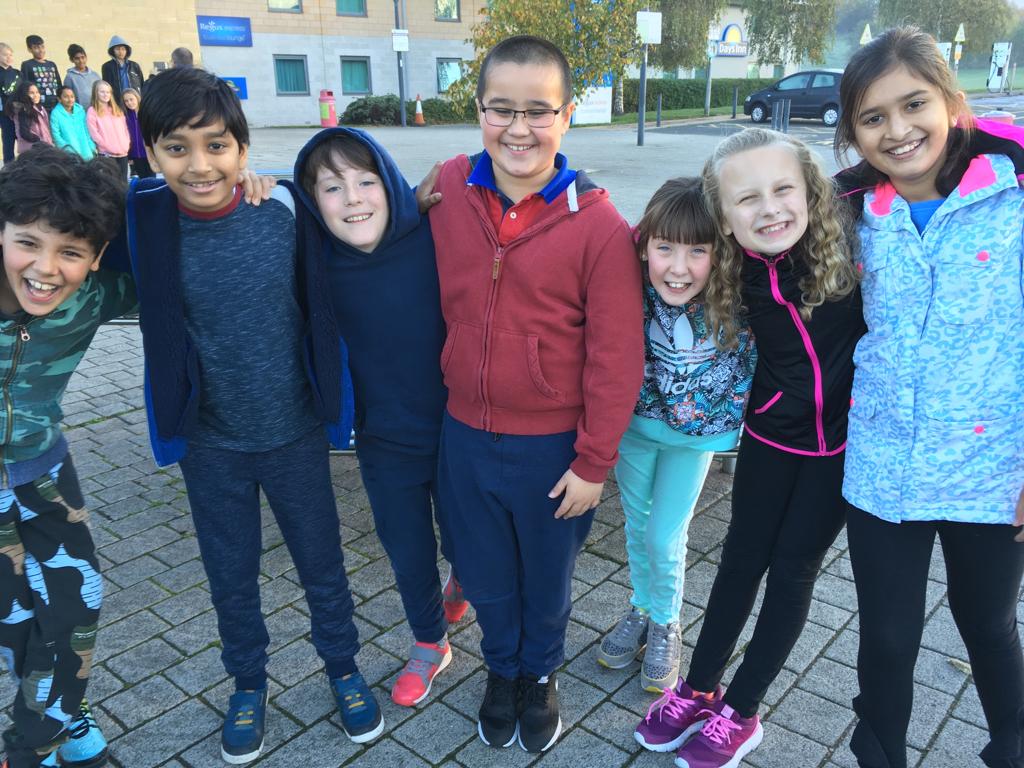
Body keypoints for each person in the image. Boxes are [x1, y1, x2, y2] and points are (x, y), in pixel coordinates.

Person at [122, 66, 381, 763]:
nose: (199, 166)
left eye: (216, 146)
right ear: (151, 153)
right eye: (177, 148)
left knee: (322, 565)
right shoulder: (143, 221)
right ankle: (248, 683)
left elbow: (369, 223)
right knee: (230, 575)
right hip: (211, 444)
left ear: (242, 148)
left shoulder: (284, 210)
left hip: (294, 432)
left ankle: (343, 668)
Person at [427, 35, 644, 753]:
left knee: (546, 579)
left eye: (538, 111)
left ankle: (540, 672)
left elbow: (617, 357)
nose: (518, 129)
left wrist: (594, 462)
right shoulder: (450, 187)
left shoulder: (600, 227)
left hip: (553, 451)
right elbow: (372, 209)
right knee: (486, 573)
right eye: (501, 109)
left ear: (566, 115)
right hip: (465, 436)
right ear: (479, 111)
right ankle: (503, 668)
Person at [633, 128, 865, 768]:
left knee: (792, 572)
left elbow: (914, 153)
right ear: (725, 217)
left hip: (839, 450)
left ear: (811, 191)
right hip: (768, 438)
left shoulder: (849, 232)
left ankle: (742, 711)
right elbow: (641, 243)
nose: (769, 209)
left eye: (783, 190)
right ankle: (698, 689)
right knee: (739, 563)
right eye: (746, 199)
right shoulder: (730, 268)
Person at [833, 27, 1024, 768]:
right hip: (885, 465)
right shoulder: (848, 215)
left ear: (950, 102)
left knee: (988, 625)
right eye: (873, 117)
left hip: (992, 467)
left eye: (913, 104)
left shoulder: (1012, 199)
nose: (898, 130)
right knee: (886, 637)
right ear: (853, 133)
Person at [291, 127, 468, 708]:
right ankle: (429, 640)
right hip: (382, 439)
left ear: (391, 184)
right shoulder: (315, 263)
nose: (354, 198)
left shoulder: (432, 238)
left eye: (367, 181)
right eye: (332, 188)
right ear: (312, 202)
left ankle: (463, 581)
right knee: (407, 547)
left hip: (459, 430)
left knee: (469, 539)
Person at [0, 144, 135, 768]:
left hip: (45, 472)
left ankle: (41, 737)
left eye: (71, 252)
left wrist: (245, 193)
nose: (45, 269)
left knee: (76, 606)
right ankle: (50, 724)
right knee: (16, 619)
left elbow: (184, 261)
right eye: (27, 243)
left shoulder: (97, 297)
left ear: (97, 256)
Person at [596, 178, 755, 693]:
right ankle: (642, 608)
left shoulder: (739, 292)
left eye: (697, 251)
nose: (679, 268)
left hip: (693, 439)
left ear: (720, 254)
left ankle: (667, 621)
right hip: (635, 428)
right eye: (665, 248)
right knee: (638, 525)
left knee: (665, 534)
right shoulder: (624, 281)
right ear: (644, 246)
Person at [86, 81, 129, 177]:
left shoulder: (117, 109)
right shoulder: (92, 111)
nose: (105, 94)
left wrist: (126, 143)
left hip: (123, 152)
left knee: (123, 181)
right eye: (102, 92)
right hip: (107, 154)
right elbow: (94, 133)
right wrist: (105, 145)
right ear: (96, 93)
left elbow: (125, 129)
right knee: (111, 182)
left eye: (108, 92)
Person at [6, 81, 52, 155]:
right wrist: (40, 140)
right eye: (31, 93)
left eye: (37, 92)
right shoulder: (24, 111)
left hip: (43, 148)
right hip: (32, 151)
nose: (36, 95)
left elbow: (46, 129)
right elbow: (25, 133)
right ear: (24, 94)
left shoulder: (40, 108)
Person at [50, 85, 95, 160]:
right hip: (69, 155)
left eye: (72, 96)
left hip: (86, 152)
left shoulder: (80, 111)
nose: (70, 99)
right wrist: (68, 150)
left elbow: (87, 130)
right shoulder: (55, 114)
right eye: (66, 97)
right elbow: (56, 135)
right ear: (59, 99)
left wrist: (92, 146)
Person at [18, 36, 60, 113]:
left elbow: (59, 83)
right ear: (29, 49)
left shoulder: (52, 64)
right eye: (36, 48)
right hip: (38, 106)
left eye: (42, 47)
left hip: (55, 106)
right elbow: (25, 86)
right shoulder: (27, 65)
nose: (40, 50)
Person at [99, 36, 142, 109]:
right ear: (113, 51)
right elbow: (106, 86)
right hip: (117, 103)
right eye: (117, 49)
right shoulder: (107, 67)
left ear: (127, 50)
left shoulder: (134, 65)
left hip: (134, 102)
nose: (121, 52)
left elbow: (141, 84)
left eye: (123, 49)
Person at [120, 88, 153, 178]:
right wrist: (130, 155)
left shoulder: (147, 112)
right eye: (126, 101)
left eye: (131, 99)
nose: (129, 103)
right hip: (136, 154)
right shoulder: (125, 115)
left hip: (149, 152)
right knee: (142, 179)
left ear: (137, 98)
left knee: (152, 179)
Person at [0, 43, 19, 163]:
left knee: (24, 140)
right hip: (4, 114)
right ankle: (8, 167)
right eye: (5, 55)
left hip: (18, 112)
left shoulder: (17, 73)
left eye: (11, 55)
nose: (9, 57)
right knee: (8, 142)